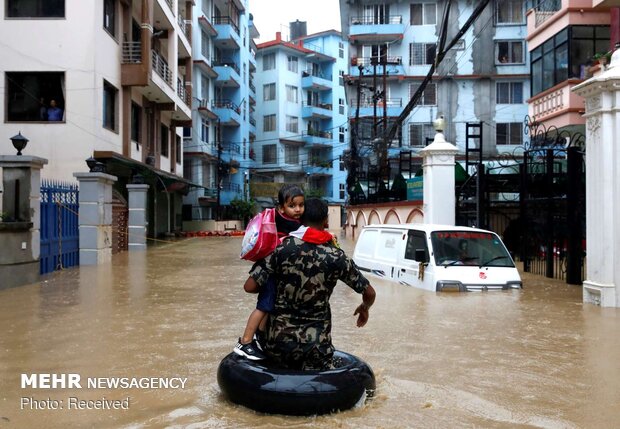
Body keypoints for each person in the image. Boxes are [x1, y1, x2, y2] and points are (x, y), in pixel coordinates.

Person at [243, 198, 376, 370]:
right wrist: (364, 307)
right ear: (326, 220)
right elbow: (370, 293)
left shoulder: (282, 248)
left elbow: (250, 286)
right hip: (316, 350)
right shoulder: (337, 256)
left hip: (277, 347)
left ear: (299, 219)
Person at [233, 184, 305, 360]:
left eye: (301, 205)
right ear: (281, 208)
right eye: (292, 205)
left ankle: (260, 336)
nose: (298, 210)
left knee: (269, 305)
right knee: (264, 306)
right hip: (270, 272)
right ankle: (245, 342)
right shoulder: (288, 223)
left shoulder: (279, 217)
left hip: (271, 271)